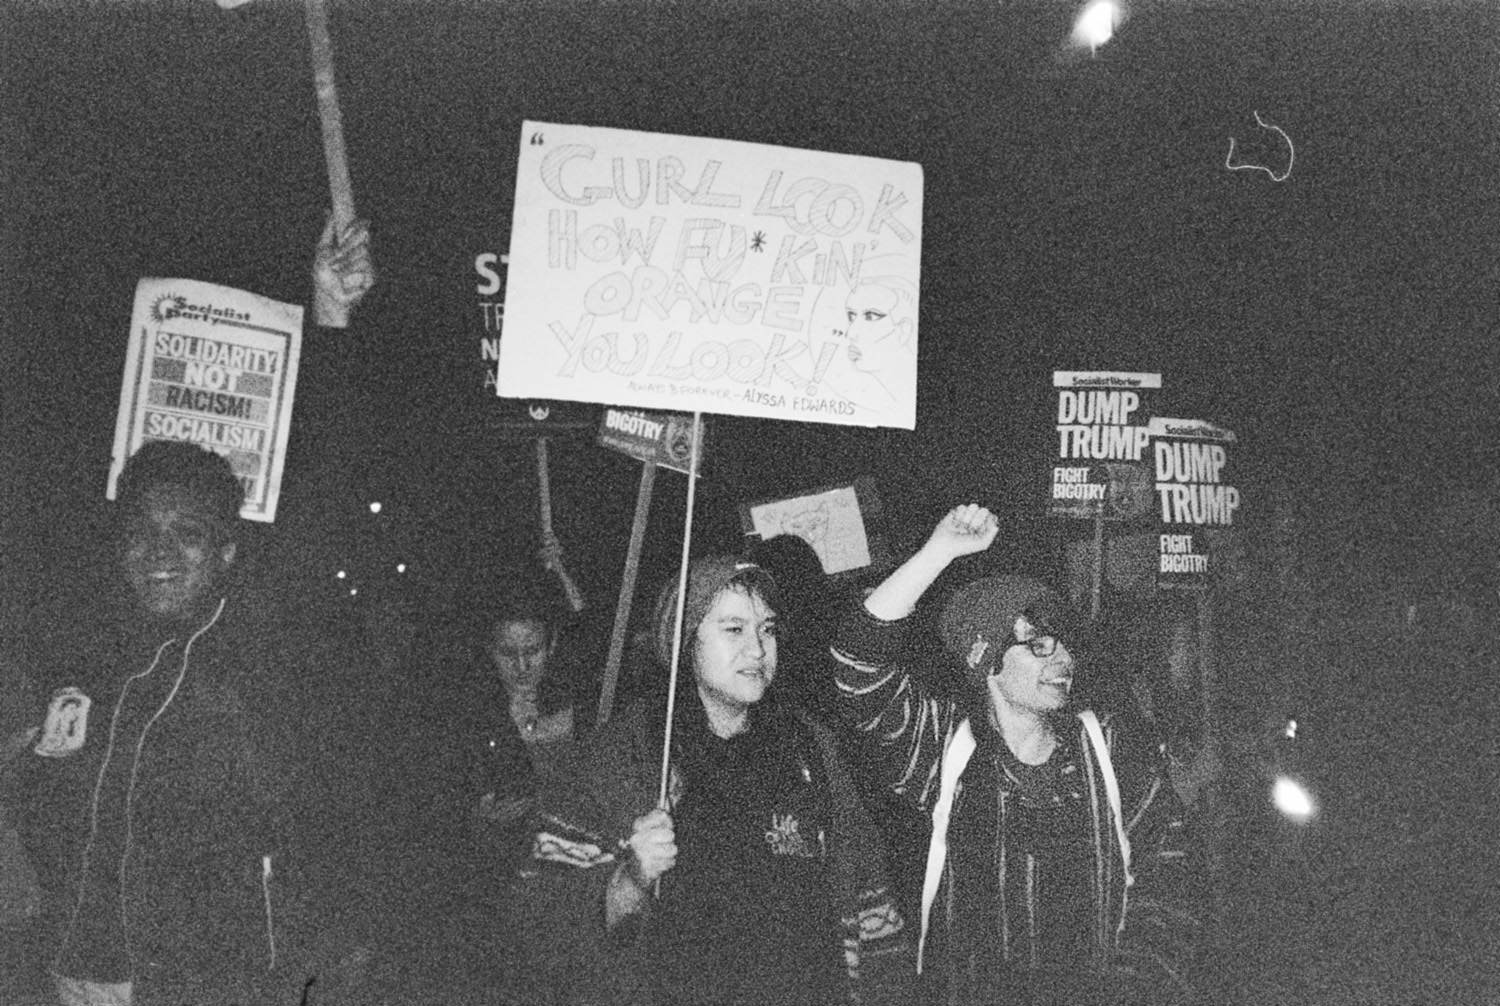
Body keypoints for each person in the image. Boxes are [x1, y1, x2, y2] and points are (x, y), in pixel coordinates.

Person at [829, 504, 1201, 1006]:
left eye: (1064, 644)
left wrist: (1135, 985)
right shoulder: (946, 751)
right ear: (985, 660)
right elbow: (857, 665)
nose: (1064, 659)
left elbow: (1169, 872)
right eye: (1039, 645)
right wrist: (938, 553)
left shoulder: (1107, 748)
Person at [518, 556, 912, 1006]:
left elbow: (868, 895)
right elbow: (541, 922)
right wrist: (631, 877)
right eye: (733, 629)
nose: (759, 650)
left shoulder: (808, 748)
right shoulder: (628, 754)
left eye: (766, 628)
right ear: (686, 642)